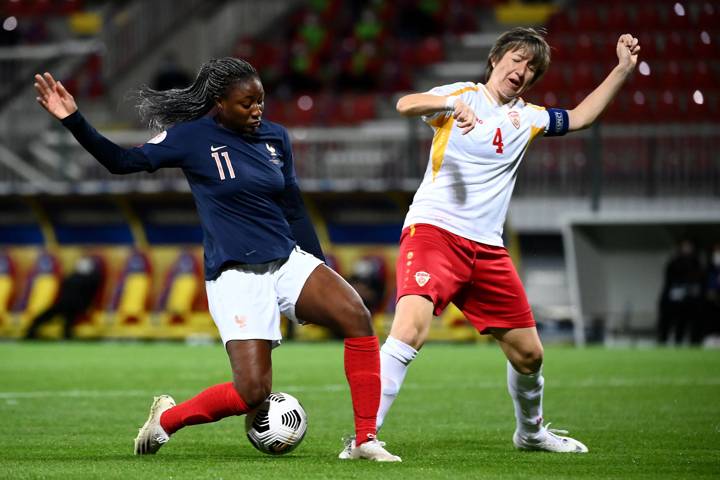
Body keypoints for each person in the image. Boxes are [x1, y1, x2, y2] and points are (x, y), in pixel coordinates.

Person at [34, 57, 400, 461]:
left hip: (285, 260)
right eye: (247, 103)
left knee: (356, 314)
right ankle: (167, 420)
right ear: (219, 104)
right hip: (235, 276)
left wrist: (318, 270)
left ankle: (365, 440)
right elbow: (122, 163)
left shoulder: (275, 138)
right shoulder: (190, 138)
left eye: (260, 101)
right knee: (252, 393)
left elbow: (294, 208)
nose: (257, 110)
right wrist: (73, 119)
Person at [339, 27, 640, 457]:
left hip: (487, 249)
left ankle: (531, 434)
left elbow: (580, 117)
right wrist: (449, 104)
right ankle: (363, 439)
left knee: (530, 356)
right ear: (496, 58)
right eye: (517, 59)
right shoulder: (463, 94)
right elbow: (406, 103)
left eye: (532, 68)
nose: (522, 71)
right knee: (410, 329)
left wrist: (622, 70)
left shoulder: (529, 117)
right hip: (434, 233)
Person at [25, 255, 103, 340]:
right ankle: (34, 329)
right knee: (62, 317)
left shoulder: (78, 277)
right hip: (71, 303)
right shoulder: (85, 277)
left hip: (70, 303)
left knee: (61, 317)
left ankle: (33, 328)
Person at [657, 238, 705, 345]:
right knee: (671, 324)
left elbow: (700, 281)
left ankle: (693, 343)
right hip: (674, 301)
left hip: (691, 302)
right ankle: (666, 342)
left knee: (689, 324)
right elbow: (669, 282)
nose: (686, 249)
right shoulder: (674, 263)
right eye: (684, 246)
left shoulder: (696, 263)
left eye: (689, 246)